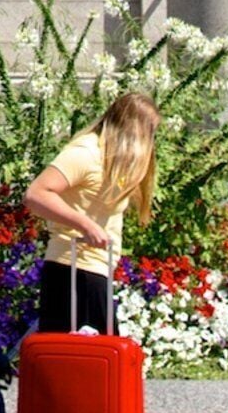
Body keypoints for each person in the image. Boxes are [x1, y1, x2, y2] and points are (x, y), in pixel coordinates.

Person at [19, 90, 160, 334]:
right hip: (74, 268)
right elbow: (36, 194)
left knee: (99, 361)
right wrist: (85, 225)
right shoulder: (85, 154)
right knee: (90, 361)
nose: (151, 141)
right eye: (149, 133)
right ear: (133, 130)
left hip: (94, 270)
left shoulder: (112, 162)